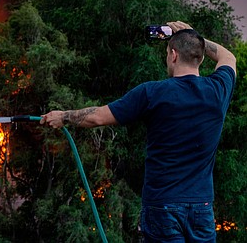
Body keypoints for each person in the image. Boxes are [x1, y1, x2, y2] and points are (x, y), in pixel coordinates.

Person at [40, 21, 236, 242]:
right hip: (202, 207)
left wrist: (63, 116)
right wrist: (195, 36)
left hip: (162, 206)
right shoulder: (218, 90)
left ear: (173, 55)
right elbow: (228, 57)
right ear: (200, 58)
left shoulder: (152, 93)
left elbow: (97, 117)